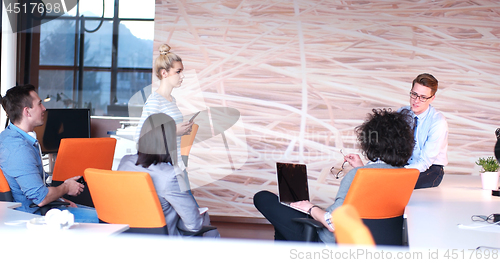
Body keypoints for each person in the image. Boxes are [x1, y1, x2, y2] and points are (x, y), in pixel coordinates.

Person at [253, 108, 415, 243]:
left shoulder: (356, 176)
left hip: (331, 243)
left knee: (263, 198)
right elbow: (376, 197)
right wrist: (361, 168)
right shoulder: (405, 176)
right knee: (283, 227)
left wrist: (310, 208)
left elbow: (333, 223)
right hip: (372, 243)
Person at [0, 84, 98, 222]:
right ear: (27, 112)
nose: (44, 108)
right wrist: (66, 187)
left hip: (43, 208)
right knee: (105, 218)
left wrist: (59, 198)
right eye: (39, 104)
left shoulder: (8, 137)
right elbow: (41, 198)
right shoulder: (19, 149)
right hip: (34, 216)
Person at [119, 113, 219, 237]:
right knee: (209, 229)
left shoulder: (125, 162)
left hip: (126, 236)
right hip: (162, 240)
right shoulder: (170, 175)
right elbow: (193, 225)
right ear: (170, 140)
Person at [134, 43, 194, 193]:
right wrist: (173, 130)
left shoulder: (171, 100)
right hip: (166, 169)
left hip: (177, 165)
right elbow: (141, 136)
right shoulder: (155, 101)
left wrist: (182, 130)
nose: (182, 76)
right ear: (164, 73)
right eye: (178, 72)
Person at [399, 73, 448, 189]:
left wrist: (398, 172)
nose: (416, 101)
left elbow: (425, 162)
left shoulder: (438, 122)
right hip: (404, 165)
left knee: (398, 184)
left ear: (432, 98)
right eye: (414, 94)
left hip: (430, 168)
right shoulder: (402, 113)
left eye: (423, 97)